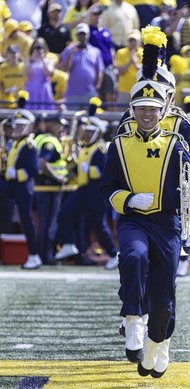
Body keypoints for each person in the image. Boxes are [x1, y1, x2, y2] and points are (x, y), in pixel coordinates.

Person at [100, 79, 190, 377]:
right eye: (141, 108)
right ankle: (133, 317)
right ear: (132, 111)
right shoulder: (119, 145)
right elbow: (106, 188)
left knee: (164, 293)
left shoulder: (176, 143)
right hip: (133, 219)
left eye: (153, 109)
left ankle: (159, 343)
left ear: (162, 112)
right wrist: (130, 199)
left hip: (167, 222)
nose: (147, 113)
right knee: (133, 257)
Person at [54, 116, 118, 269]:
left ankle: (112, 254)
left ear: (97, 132)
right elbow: (79, 168)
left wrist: (88, 170)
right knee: (65, 212)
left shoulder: (101, 149)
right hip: (83, 188)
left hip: (96, 191)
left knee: (98, 223)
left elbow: (103, 171)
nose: (86, 133)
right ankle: (68, 244)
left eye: (90, 131)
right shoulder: (86, 148)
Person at [0, 93, 40, 269]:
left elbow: (33, 170)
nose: (15, 128)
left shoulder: (28, 145)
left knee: (26, 220)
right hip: (10, 185)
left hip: (22, 186)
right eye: (16, 125)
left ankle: (34, 255)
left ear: (28, 126)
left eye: (20, 125)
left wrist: (15, 173)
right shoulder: (15, 143)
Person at [34, 112, 68, 265]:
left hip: (43, 186)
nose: (61, 127)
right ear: (51, 125)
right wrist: (57, 177)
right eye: (59, 124)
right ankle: (47, 256)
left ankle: (43, 254)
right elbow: (43, 162)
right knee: (49, 224)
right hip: (50, 187)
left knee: (45, 222)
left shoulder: (40, 138)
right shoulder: (50, 141)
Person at [58, 23, 104, 107]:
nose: (82, 36)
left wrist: (97, 88)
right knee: (72, 118)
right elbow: (65, 69)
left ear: (88, 35)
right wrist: (70, 53)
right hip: (73, 92)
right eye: (80, 34)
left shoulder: (95, 51)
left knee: (89, 118)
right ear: (76, 35)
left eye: (84, 34)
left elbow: (99, 71)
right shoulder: (69, 50)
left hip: (89, 92)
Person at [24, 38, 55, 110]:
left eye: (41, 47)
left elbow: (49, 73)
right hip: (31, 90)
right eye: (36, 47)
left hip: (44, 90)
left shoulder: (48, 61)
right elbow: (26, 72)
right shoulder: (28, 60)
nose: (39, 50)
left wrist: (42, 60)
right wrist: (32, 59)